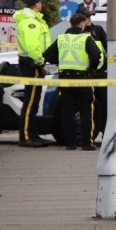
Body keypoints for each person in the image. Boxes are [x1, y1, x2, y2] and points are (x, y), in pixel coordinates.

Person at [44, 13, 102, 151]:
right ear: (82, 24)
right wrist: (91, 68)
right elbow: (96, 56)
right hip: (82, 79)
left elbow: (47, 55)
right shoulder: (86, 38)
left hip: (66, 79)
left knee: (67, 112)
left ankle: (70, 143)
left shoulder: (62, 38)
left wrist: (60, 62)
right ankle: (86, 143)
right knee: (86, 111)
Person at [13, 0, 52, 148]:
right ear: (37, 4)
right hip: (32, 64)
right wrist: (41, 62)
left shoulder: (32, 20)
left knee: (33, 102)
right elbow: (32, 46)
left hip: (31, 63)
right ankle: (27, 136)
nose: (41, 5)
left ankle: (33, 135)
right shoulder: (31, 22)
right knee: (30, 102)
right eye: (40, 3)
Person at [80, 9, 108, 144]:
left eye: (90, 16)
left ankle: (106, 134)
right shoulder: (75, 32)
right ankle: (89, 137)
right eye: (86, 17)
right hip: (84, 75)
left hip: (101, 74)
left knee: (104, 106)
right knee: (88, 107)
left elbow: (107, 49)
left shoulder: (98, 30)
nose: (89, 19)